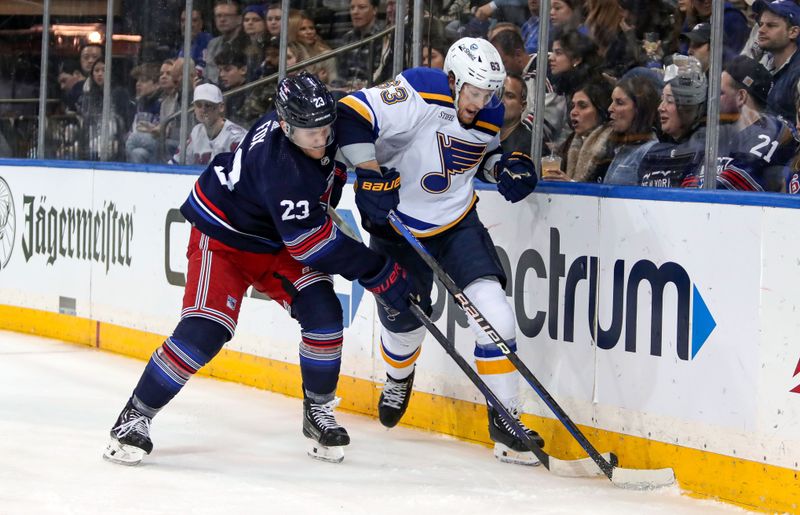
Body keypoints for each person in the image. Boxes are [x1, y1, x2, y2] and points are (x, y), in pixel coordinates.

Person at [103, 72, 414, 466]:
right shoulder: (280, 164)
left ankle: (317, 412)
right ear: (285, 126)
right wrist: (378, 270)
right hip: (225, 237)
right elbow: (311, 243)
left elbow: (357, 123)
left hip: (278, 238)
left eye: (325, 127)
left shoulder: (312, 125)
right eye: (309, 132)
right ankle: (134, 417)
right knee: (205, 330)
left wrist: (370, 176)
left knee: (323, 313)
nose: (321, 137)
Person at [336, 37, 544, 465]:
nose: (482, 101)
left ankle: (506, 422)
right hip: (397, 225)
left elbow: (475, 155)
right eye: (474, 91)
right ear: (452, 79)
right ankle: (399, 376)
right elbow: (350, 116)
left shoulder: (487, 108)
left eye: (490, 92)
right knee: (405, 321)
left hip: (455, 222)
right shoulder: (418, 91)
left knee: (496, 315)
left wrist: (504, 166)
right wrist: (370, 174)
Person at [684, 55, 796, 191]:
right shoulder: (722, 134)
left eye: (720, 93)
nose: (712, 100)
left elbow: (729, 188)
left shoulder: (772, 130)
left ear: (741, 97)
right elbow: (687, 182)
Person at [638, 55, 708, 187]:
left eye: (669, 101)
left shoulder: (704, 152)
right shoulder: (654, 151)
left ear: (689, 107)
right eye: (662, 99)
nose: (660, 108)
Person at [168, 83, 246, 165]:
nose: (203, 110)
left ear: (221, 107)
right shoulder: (196, 131)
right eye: (199, 105)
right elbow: (175, 163)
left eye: (208, 105)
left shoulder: (237, 137)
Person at [604, 73, 660, 185]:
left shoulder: (650, 151)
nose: (610, 108)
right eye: (612, 101)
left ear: (640, 109)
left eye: (619, 103)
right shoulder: (622, 147)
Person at [557, 81, 614, 182]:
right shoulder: (570, 141)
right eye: (573, 105)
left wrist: (570, 185)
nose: (573, 112)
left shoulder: (612, 143)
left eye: (582, 106)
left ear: (601, 110)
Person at [752, 0, 800, 121]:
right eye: (761, 24)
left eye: (771, 25)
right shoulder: (763, 68)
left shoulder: (798, 73)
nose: (761, 30)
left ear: (793, 32)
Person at [338, 0, 391, 87]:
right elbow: (341, 74)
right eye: (352, 8)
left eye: (361, 7)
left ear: (374, 10)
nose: (355, 12)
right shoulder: (347, 38)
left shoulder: (384, 37)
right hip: (346, 90)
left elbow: (382, 75)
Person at [125, 63, 162, 164]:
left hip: (158, 145)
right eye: (137, 80)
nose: (138, 84)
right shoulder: (139, 104)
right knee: (137, 153)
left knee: (131, 140)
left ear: (157, 84)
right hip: (143, 148)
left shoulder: (161, 102)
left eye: (144, 81)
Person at [205, 0, 249, 85]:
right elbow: (208, 74)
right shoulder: (212, 44)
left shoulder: (247, 43)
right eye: (218, 16)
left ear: (239, 19)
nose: (222, 19)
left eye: (227, 15)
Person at [500, 73, 533, 154]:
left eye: (510, 96)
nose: (501, 100)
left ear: (523, 106)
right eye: (498, 94)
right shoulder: (484, 138)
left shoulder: (531, 146)